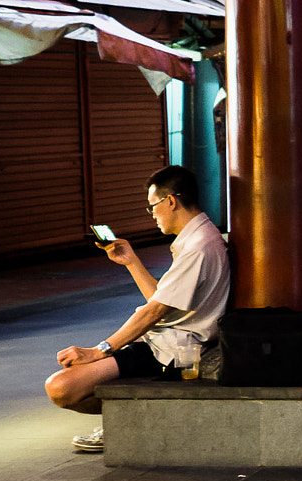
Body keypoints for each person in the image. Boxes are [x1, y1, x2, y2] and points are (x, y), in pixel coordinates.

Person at [45, 165, 230, 453]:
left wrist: (100, 350)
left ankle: (126, 423)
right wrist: (131, 261)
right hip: (164, 341)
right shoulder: (200, 236)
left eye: (152, 207)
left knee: (60, 387)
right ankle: (126, 420)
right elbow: (162, 299)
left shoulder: (198, 246)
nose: (152, 215)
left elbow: (152, 312)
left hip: (170, 350)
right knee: (66, 381)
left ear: (170, 201)